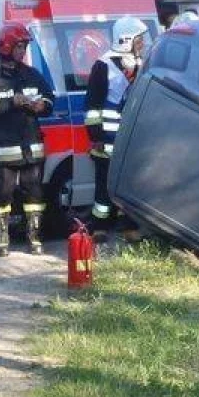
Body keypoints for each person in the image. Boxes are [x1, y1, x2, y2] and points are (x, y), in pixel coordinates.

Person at [0, 22, 54, 257]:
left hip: (31, 148)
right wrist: (11, 102)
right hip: (3, 150)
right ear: (6, 46)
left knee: (35, 195)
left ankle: (35, 239)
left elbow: (49, 98)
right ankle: (1, 241)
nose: (23, 51)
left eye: (25, 45)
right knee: (3, 195)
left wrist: (43, 105)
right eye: (20, 45)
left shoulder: (31, 75)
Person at [84, 16, 149, 242]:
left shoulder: (143, 64)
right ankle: (100, 227)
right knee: (104, 183)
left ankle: (127, 226)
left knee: (130, 183)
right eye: (139, 39)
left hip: (132, 137)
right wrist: (95, 136)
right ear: (126, 39)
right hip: (106, 138)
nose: (142, 43)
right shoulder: (104, 65)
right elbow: (92, 106)